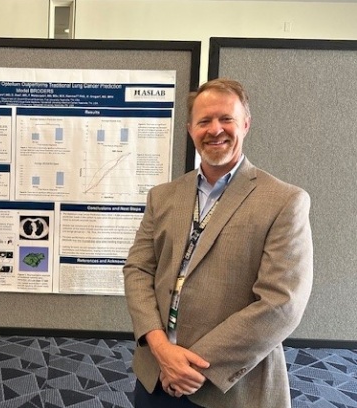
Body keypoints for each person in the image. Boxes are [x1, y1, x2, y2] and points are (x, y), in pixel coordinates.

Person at [123, 78, 313, 408]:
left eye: (226, 119)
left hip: (229, 386)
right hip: (156, 374)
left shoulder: (284, 201)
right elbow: (137, 270)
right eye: (204, 121)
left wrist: (192, 365)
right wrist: (161, 349)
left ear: (246, 124)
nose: (215, 129)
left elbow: (281, 303)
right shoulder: (163, 196)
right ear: (190, 129)